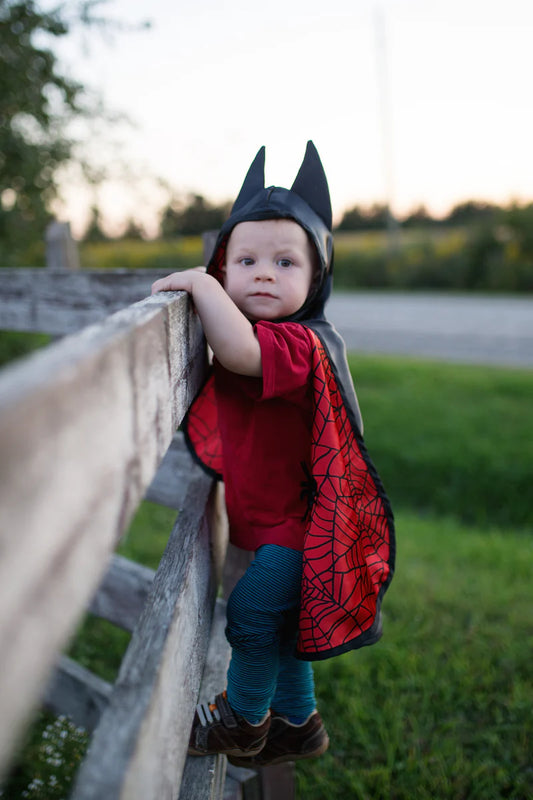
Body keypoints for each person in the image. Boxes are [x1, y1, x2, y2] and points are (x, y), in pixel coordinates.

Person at [151, 141, 395, 766]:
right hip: (272, 521)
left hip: (302, 528)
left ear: (317, 280)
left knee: (254, 617)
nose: (264, 272)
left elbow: (237, 355)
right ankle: (299, 723)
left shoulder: (298, 343)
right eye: (246, 259)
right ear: (226, 265)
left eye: (286, 262)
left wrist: (196, 286)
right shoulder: (259, 327)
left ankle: (243, 721)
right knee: (282, 632)